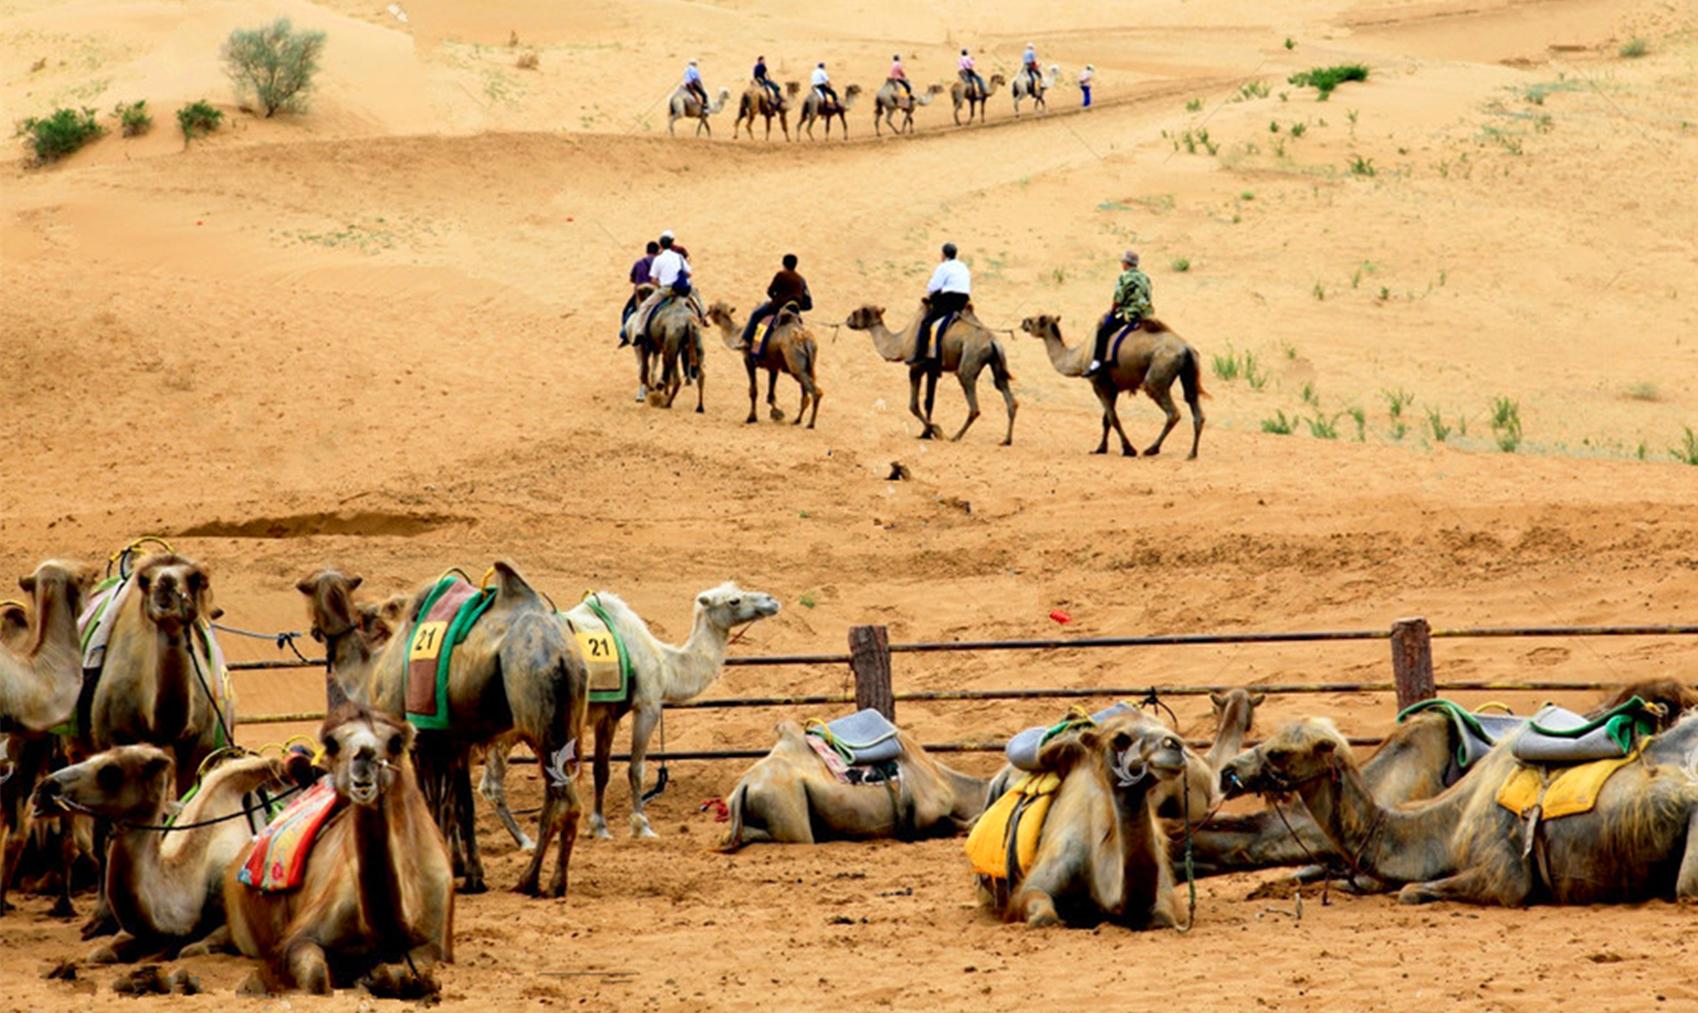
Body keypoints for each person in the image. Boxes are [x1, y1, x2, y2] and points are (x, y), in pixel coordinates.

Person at [1089, 250, 1152, 376]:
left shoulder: (1124, 277)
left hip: (1130, 314)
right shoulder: (1145, 277)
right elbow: (1148, 295)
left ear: (1126, 263)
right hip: (1145, 314)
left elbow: (1118, 298)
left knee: (1103, 331)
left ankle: (1097, 362)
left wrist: (1113, 312)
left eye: (1122, 262)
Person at [912, 242, 971, 366]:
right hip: (963, 300)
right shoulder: (963, 266)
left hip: (949, 299)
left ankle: (920, 356)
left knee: (926, 323)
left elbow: (934, 286)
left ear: (943, 254)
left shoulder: (943, 267)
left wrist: (929, 296)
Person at [740, 253, 812, 352]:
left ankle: (746, 341)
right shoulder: (801, 280)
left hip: (778, 307)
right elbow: (808, 304)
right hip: (795, 312)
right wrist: (797, 306)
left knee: (756, 314)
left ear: (783, 264)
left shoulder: (781, 275)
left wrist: (777, 300)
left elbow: (770, 291)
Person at [619, 240, 660, 347]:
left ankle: (625, 334)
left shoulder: (638, 263)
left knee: (627, 311)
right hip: (655, 294)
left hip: (640, 295)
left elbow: (632, 279)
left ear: (647, 251)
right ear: (658, 251)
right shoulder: (659, 263)